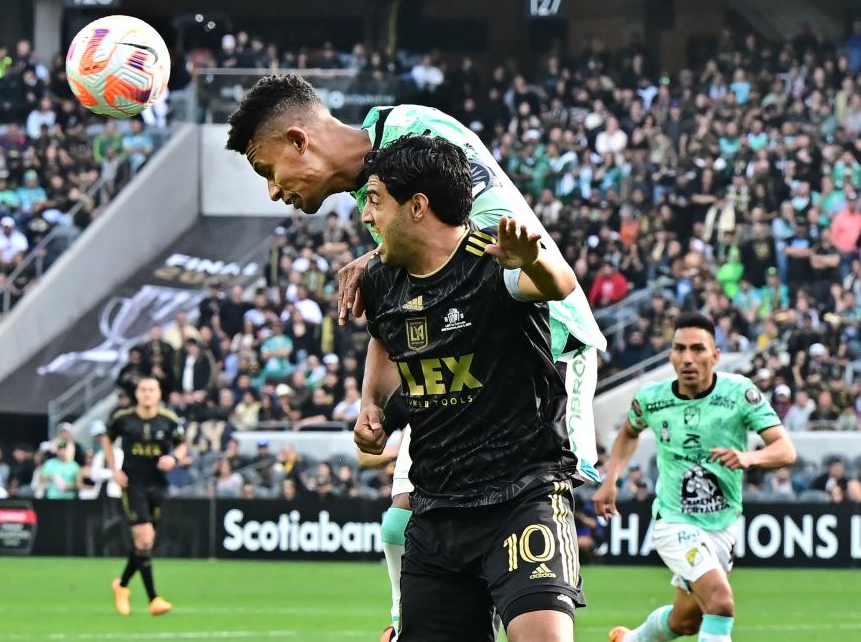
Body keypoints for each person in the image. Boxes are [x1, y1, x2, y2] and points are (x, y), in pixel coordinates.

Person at [226, 74, 608, 639]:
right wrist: (370, 398)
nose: (274, 191)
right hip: (463, 364)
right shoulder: (373, 201)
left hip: (545, 347)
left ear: (298, 141)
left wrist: (379, 253)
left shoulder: (415, 130)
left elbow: (477, 235)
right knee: (402, 521)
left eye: (268, 170)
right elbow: (400, 307)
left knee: (527, 500)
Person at [352, 137, 583, 641]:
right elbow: (384, 340)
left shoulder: (491, 260)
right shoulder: (382, 280)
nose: (366, 216)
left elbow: (557, 284)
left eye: (374, 200)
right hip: (437, 513)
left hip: (522, 498)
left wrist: (531, 261)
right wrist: (372, 404)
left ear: (417, 206)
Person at [595, 313, 796, 642]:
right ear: (671, 354)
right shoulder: (652, 397)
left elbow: (785, 450)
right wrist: (610, 479)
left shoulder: (739, 393)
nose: (688, 358)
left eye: (698, 349)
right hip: (674, 521)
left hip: (723, 523)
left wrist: (748, 457)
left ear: (715, 354)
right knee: (720, 602)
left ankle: (631, 640)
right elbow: (628, 433)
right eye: (680, 349)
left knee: (685, 621)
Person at [103, 376, 190, 618]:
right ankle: (154, 598)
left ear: (159, 393)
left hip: (158, 485)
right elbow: (107, 439)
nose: (147, 393)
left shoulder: (169, 420)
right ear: (137, 393)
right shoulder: (122, 418)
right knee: (144, 537)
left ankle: (121, 585)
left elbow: (182, 445)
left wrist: (174, 458)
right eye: (143, 389)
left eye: (151, 389)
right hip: (133, 485)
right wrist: (114, 469)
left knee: (146, 543)